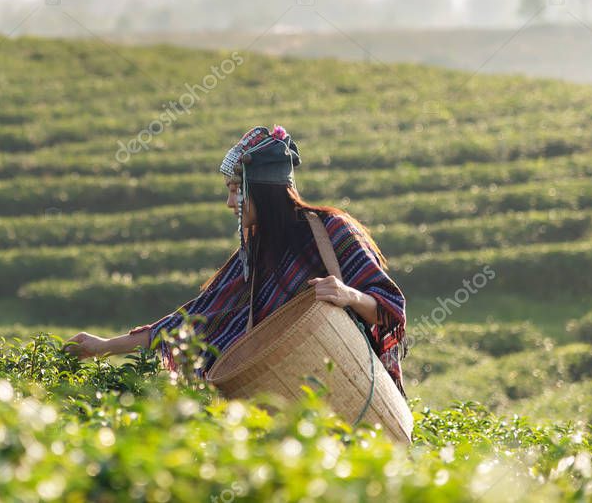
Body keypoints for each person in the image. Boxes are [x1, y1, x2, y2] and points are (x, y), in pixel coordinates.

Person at [64, 125, 408, 396]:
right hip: (291, 402)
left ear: (262, 190)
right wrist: (104, 347)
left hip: (355, 387)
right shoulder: (256, 254)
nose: (230, 203)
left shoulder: (332, 231)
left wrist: (348, 294)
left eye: (235, 189)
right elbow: (195, 320)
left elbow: (390, 307)